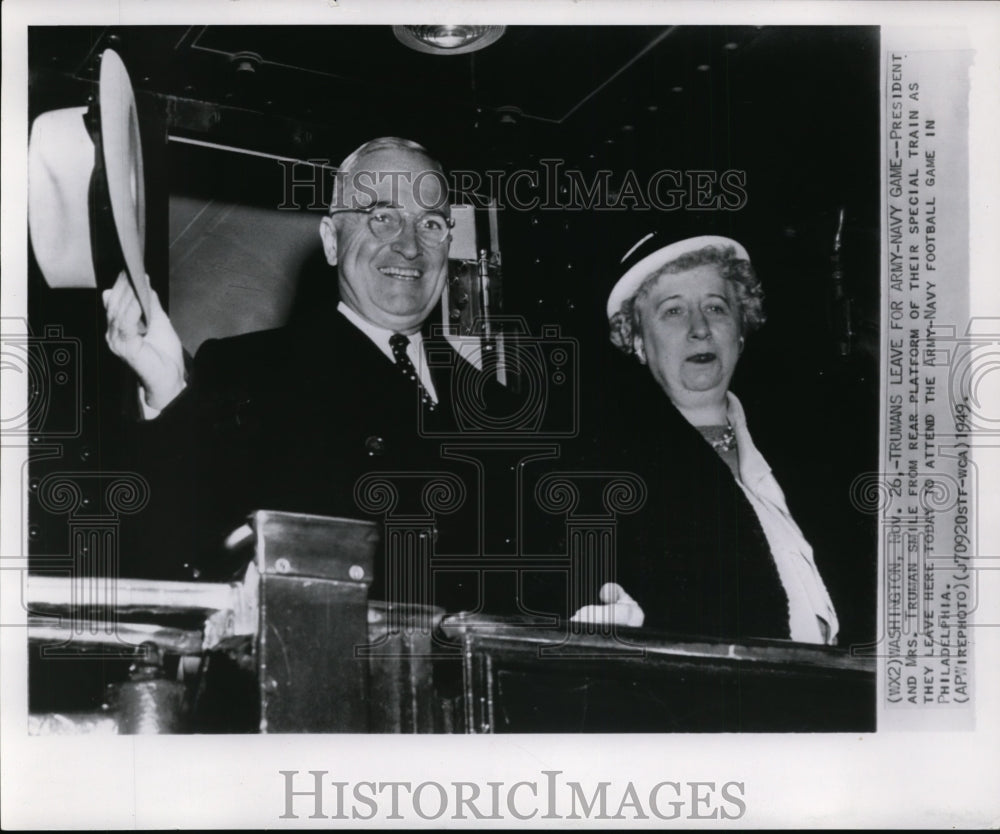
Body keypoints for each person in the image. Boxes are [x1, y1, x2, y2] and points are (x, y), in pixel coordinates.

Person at [102, 136, 512, 612]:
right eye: (382, 217)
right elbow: (172, 553)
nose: (409, 245)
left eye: (432, 224)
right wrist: (169, 394)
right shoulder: (247, 373)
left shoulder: (500, 408)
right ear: (331, 241)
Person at [573, 234, 841, 645]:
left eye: (716, 307)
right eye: (673, 311)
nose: (699, 328)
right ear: (638, 342)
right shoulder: (609, 479)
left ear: (741, 331)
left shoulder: (812, 456)